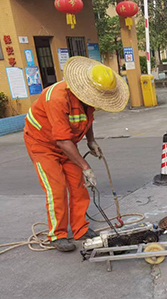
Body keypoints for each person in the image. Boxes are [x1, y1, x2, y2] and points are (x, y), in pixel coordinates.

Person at [23, 57, 129, 252]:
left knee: (78, 186)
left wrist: (91, 140)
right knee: (57, 189)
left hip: (67, 144)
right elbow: (62, 141)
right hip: (42, 145)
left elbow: (86, 120)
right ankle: (57, 234)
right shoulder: (57, 98)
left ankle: (80, 229)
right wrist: (86, 167)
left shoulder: (87, 99)